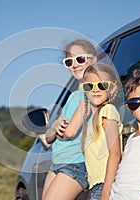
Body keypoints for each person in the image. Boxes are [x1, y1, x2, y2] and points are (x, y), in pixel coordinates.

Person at [42, 39, 97, 200]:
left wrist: (57, 128)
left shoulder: (92, 94)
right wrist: (55, 127)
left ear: (93, 59)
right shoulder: (74, 95)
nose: (75, 64)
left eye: (80, 59)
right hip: (57, 163)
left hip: (75, 164)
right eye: (69, 61)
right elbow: (49, 137)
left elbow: (69, 133)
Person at [71, 63, 123, 200]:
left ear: (112, 89)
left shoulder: (108, 111)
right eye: (89, 86)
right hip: (97, 185)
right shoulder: (93, 118)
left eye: (102, 85)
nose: (95, 90)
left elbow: (115, 154)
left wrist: (105, 192)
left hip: (106, 184)